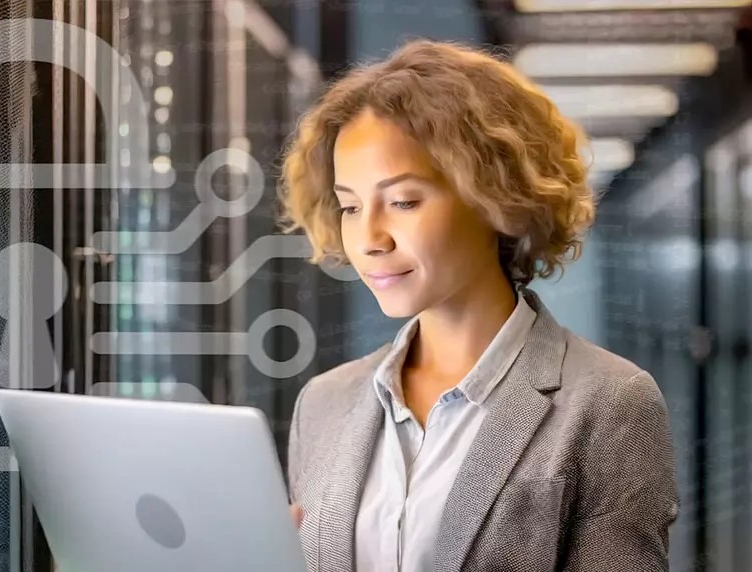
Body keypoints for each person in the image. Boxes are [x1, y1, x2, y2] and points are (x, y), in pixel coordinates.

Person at [275, 39, 679, 572]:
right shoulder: (323, 404)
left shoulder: (610, 403)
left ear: (495, 198)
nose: (369, 237)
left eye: (402, 202)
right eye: (350, 206)